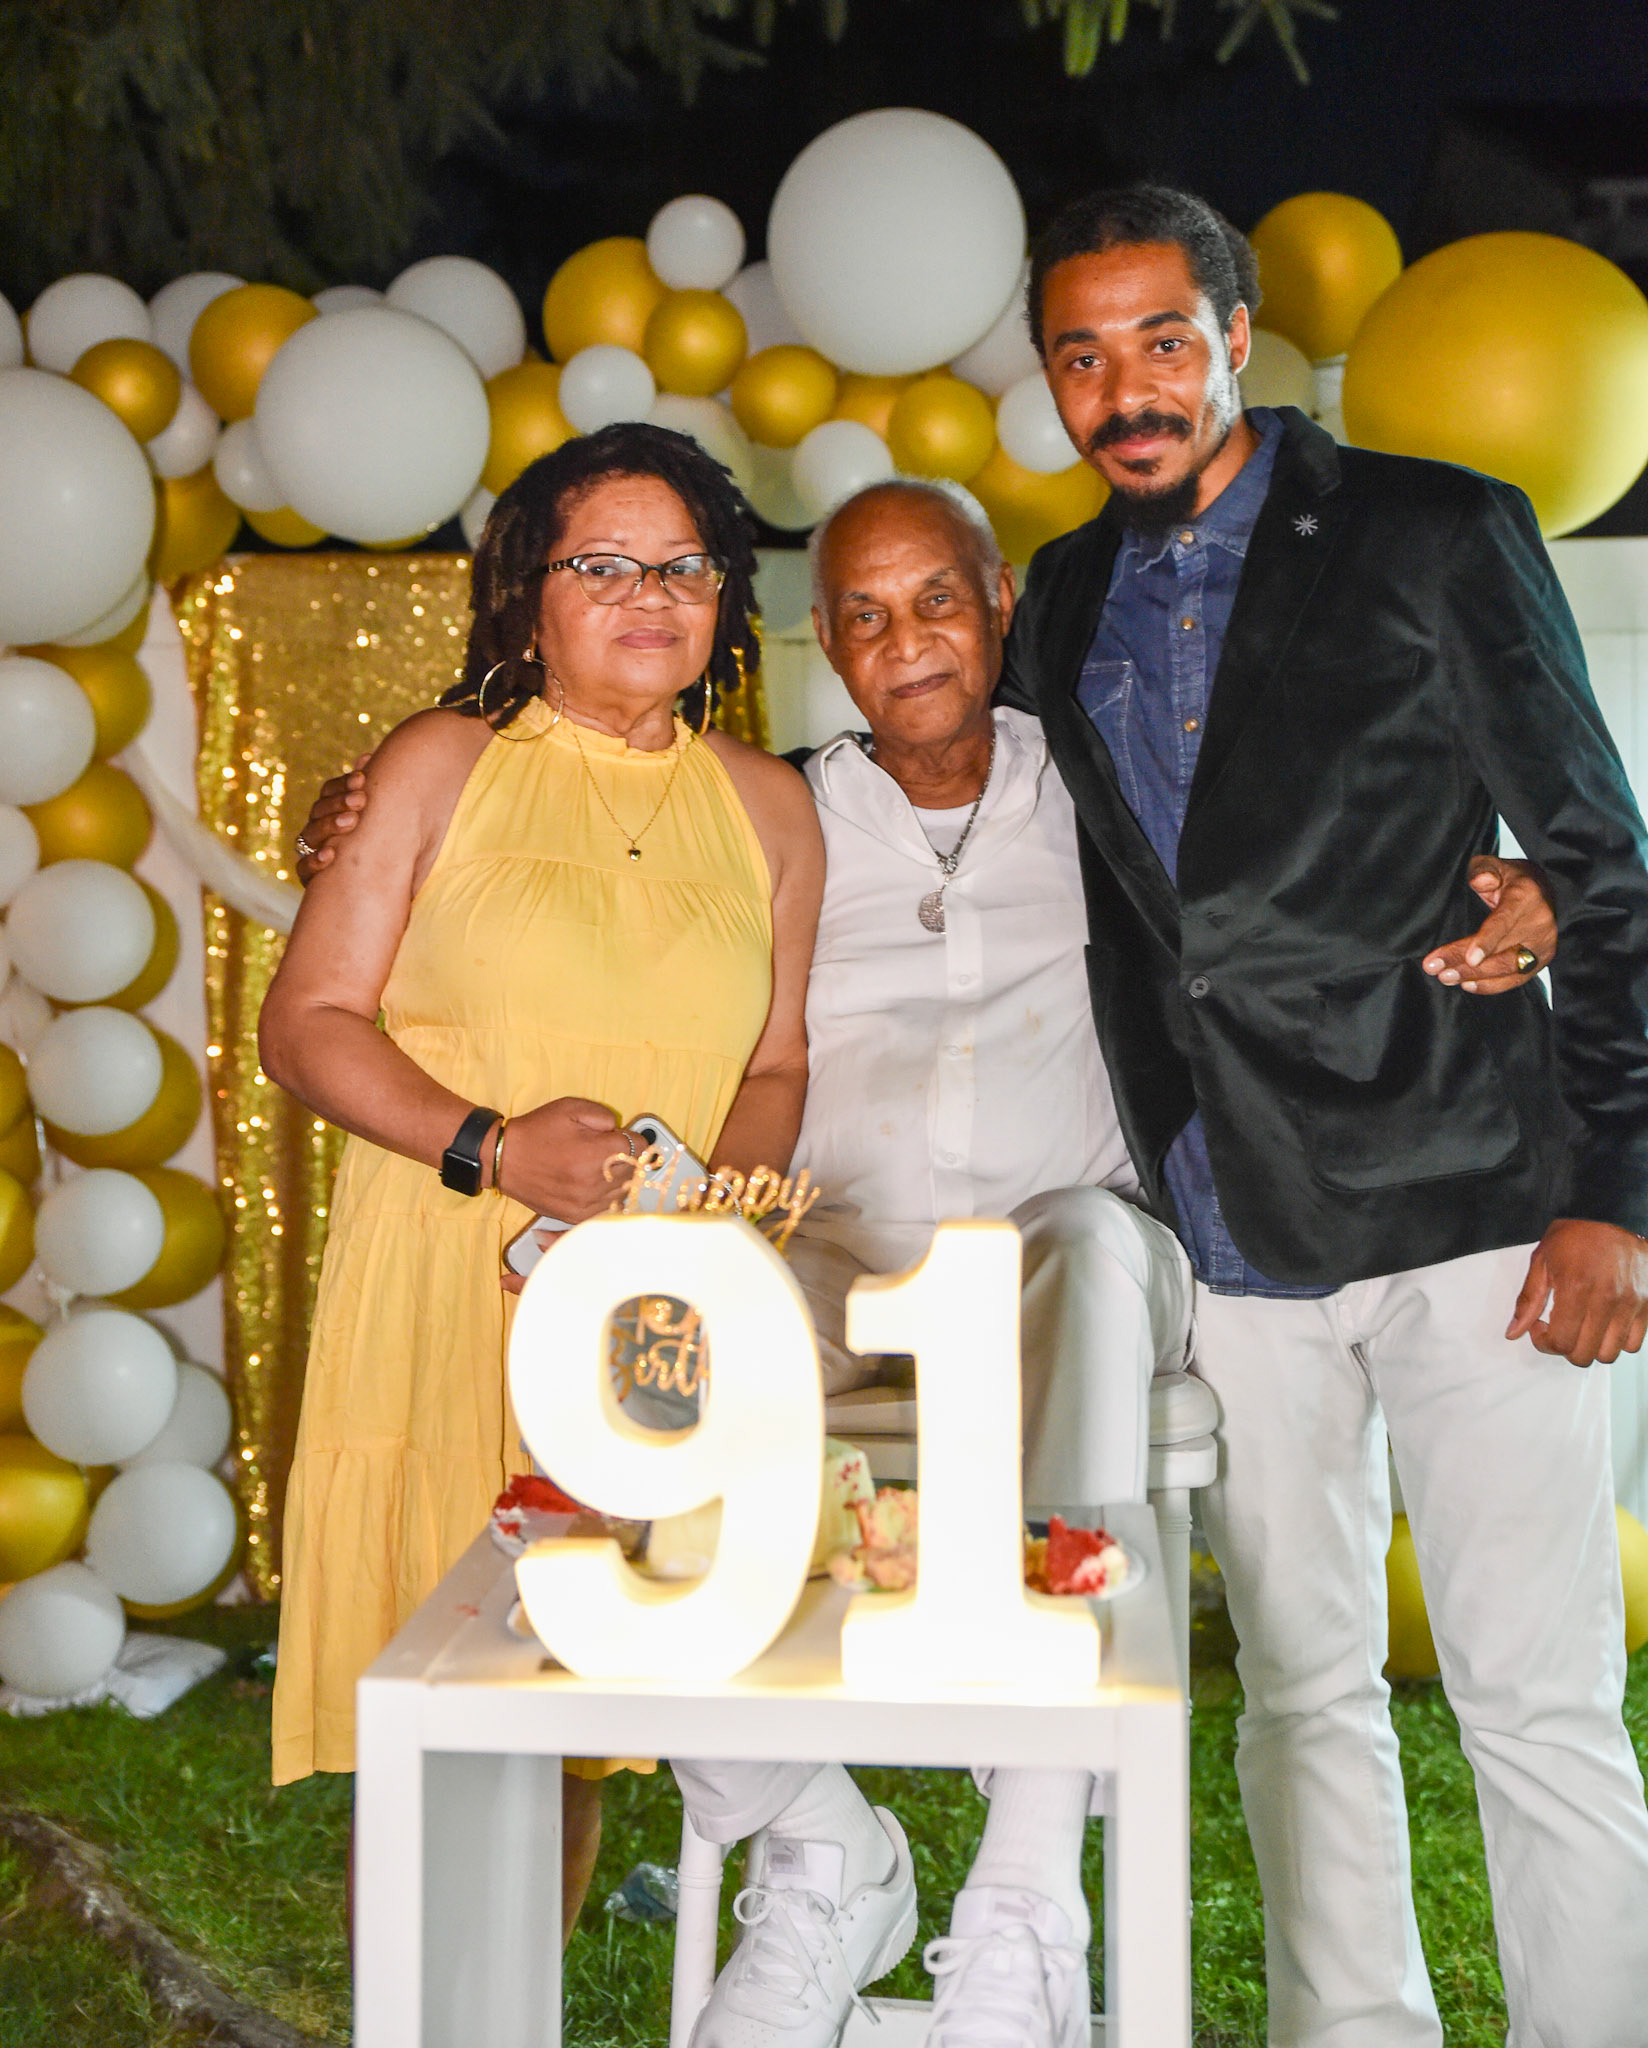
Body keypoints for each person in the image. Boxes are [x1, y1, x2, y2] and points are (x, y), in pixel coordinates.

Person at [295, 472, 1555, 2046]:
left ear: (1000, 605)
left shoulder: (1108, 794)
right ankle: (815, 1844)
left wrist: (1534, 876)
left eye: (939, 600)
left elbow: (1315, 845)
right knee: (664, 1331)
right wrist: (355, 810)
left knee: (1083, 1253)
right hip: (830, 1253)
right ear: (824, 641)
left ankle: (1024, 1902)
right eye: (867, 616)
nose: (908, 644)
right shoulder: (774, 809)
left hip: (1064, 1258)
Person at [998, 183, 1648, 2047]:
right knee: (1297, 1694)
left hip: (1475, 1204)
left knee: (1536, 1699)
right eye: (1081, 356)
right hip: (1232, 1219)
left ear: (1235, 337)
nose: (1125, 390)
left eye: (1161, 341)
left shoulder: (1433, 529)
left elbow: (1599, 862)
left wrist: (1617, 1192)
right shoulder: (1062, 593)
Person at [259, 421, 824, 1942]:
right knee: (436, 1708)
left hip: (645, 1307)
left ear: (725, 598)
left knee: (577, 1701)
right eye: (604, 565)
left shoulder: (771, 808)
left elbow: (777, 1062)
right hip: (447, 1274)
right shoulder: (437, 765)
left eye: (685, 567)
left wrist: (709, 1232)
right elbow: (304, 1026)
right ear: (528, 596)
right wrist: (496, 1147)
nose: (652, 595)